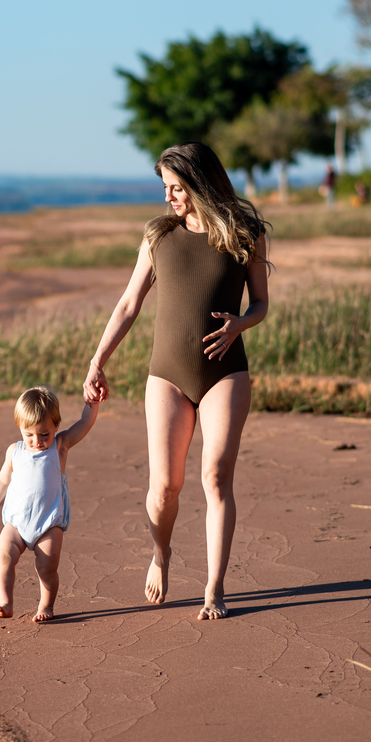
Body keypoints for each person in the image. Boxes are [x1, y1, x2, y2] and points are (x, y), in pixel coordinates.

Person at [84, 142, 271, 621]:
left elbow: (261, 305)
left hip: (224, 372)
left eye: (177, 187)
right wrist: (97, 361)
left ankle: (214, 588)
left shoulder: (243, 234)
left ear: (200, 184)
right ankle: (161, 553)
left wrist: (239, 325)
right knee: (165, 486)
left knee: (215, 476)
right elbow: (129, 305)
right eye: (165, 187)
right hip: (167, 375)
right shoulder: (158, 237)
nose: (169, 196)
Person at [0, 385, 99, 622]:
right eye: (29, 434)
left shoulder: (60, 446)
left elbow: (84, 425)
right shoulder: (15, 451)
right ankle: (6, 602)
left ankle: (46, 605)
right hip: (17, 523)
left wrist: (92, 404)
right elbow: (3, 480)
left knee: (47, 568)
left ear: (56, 425)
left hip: (49, 524)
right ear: (20, 428)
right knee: (3, 556)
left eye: (44, 434)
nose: (37, 441)